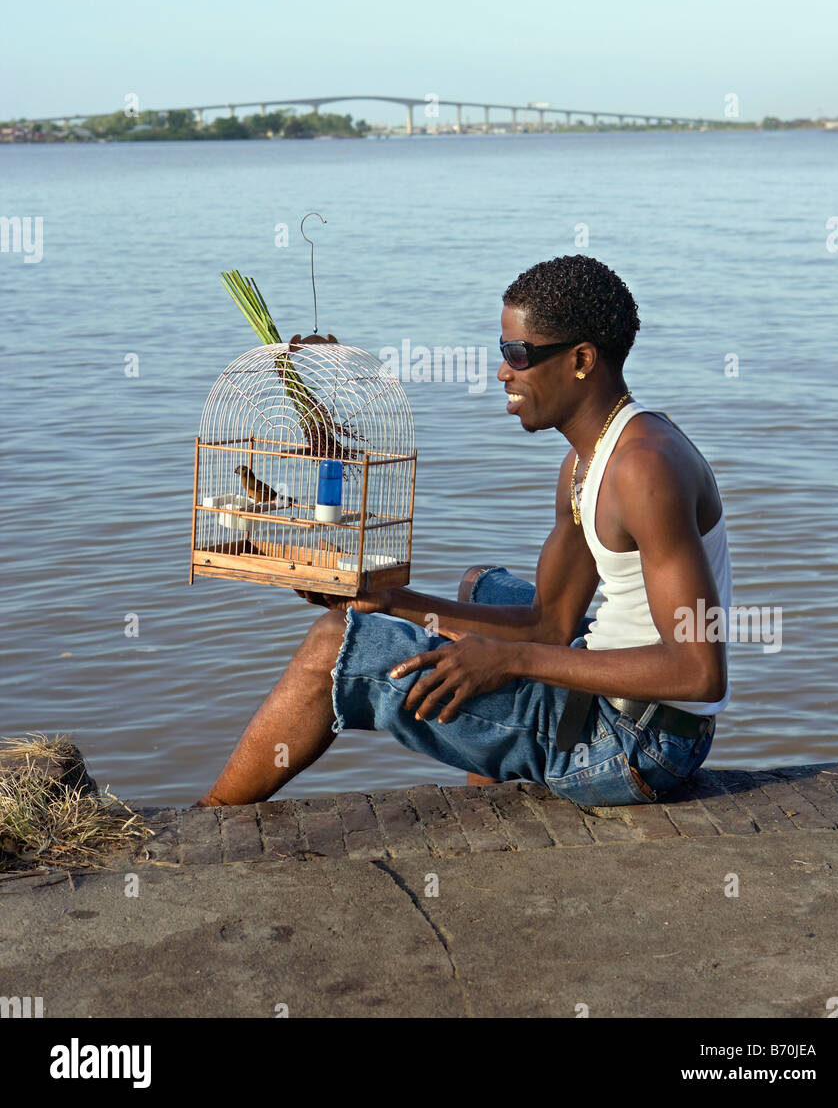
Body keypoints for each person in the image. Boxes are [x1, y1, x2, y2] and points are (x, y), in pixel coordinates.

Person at [194, 254, 730, 809]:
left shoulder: (644, 467)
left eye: (517, 354)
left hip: (637, 744)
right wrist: (386, 600)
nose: (503, 372)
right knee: (480, 584)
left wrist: (508, 660)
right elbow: (549, 624)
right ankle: (489, 804)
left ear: (581, 360)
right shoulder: (588, 462)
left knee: (335, 642)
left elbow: (698, 672)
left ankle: (205, 825)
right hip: (628, 708)